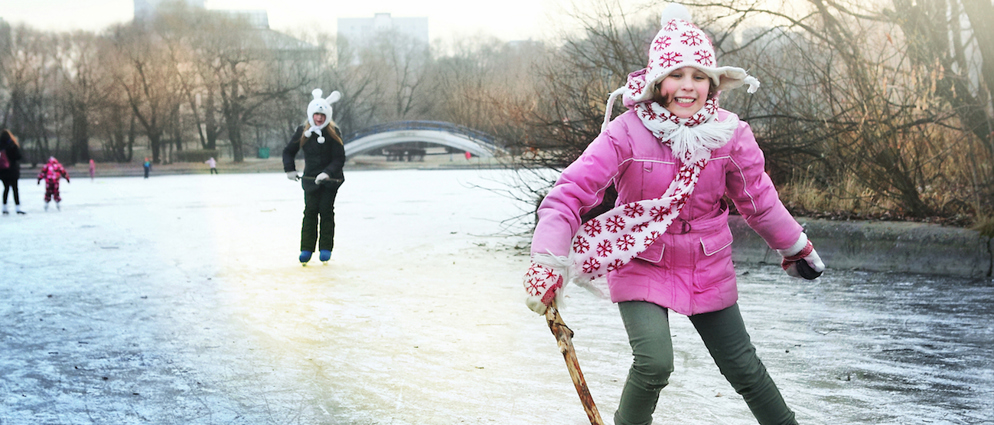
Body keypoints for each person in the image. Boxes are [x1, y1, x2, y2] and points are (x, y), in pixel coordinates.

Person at [522, 5, 825, 425]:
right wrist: (548, 260)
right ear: (657, 81)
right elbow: (570, 194)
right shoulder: (627, 131)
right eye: (677, 75)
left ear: (713, 83)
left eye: (699, 76)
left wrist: (796, 247)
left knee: (744, 367)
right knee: (654, 362)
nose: (688, 86)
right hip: (641, 255)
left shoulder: (730, 134)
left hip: (707, 259)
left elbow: (759, 201)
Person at [282, 88, 345, 265]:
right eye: (316, 114)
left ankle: (325, 249)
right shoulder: (303, 131)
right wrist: (290, 169)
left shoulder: (334, 132)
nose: (319, 118)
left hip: (331, 181)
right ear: (312, 114)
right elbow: (288, 151)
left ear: (327, 116)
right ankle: (306, 249)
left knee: (325, 211)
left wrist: (327, 173)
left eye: (322, 115)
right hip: (310, 180)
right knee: (310, 212)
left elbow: (339, 158)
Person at [0, 129, 26, 215]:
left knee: (6, 188)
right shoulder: (12, 145)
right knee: (15, 189)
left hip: (2, 171)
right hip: (13, 170)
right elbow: (18, 156)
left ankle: (4, 208)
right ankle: (17, 208)